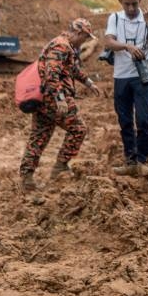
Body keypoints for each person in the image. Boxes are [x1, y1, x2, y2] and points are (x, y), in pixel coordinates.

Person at [19, 18, 101, 191]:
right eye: (85, 38)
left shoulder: (64, 45)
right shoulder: (61, 46)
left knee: (39, 137)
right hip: (54, 98)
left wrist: (88, 82)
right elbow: (52, 72)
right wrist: (59, 98)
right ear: (79, 33)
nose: (84, 41)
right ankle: (60, 167)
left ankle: (27, 178)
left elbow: (71, 69)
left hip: (45, 98)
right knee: (78, 129)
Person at [104, 0, 148, 177]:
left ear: (140, 1)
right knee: (125, 120)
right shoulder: (115, 18)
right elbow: (108, 42)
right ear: (120, 1)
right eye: (127, 4)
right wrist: (127, 47)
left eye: (134, 4)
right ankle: (130, 161)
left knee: (143, 119)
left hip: (142, 76)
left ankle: (143, 160)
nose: (130, 8)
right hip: (121, 76)